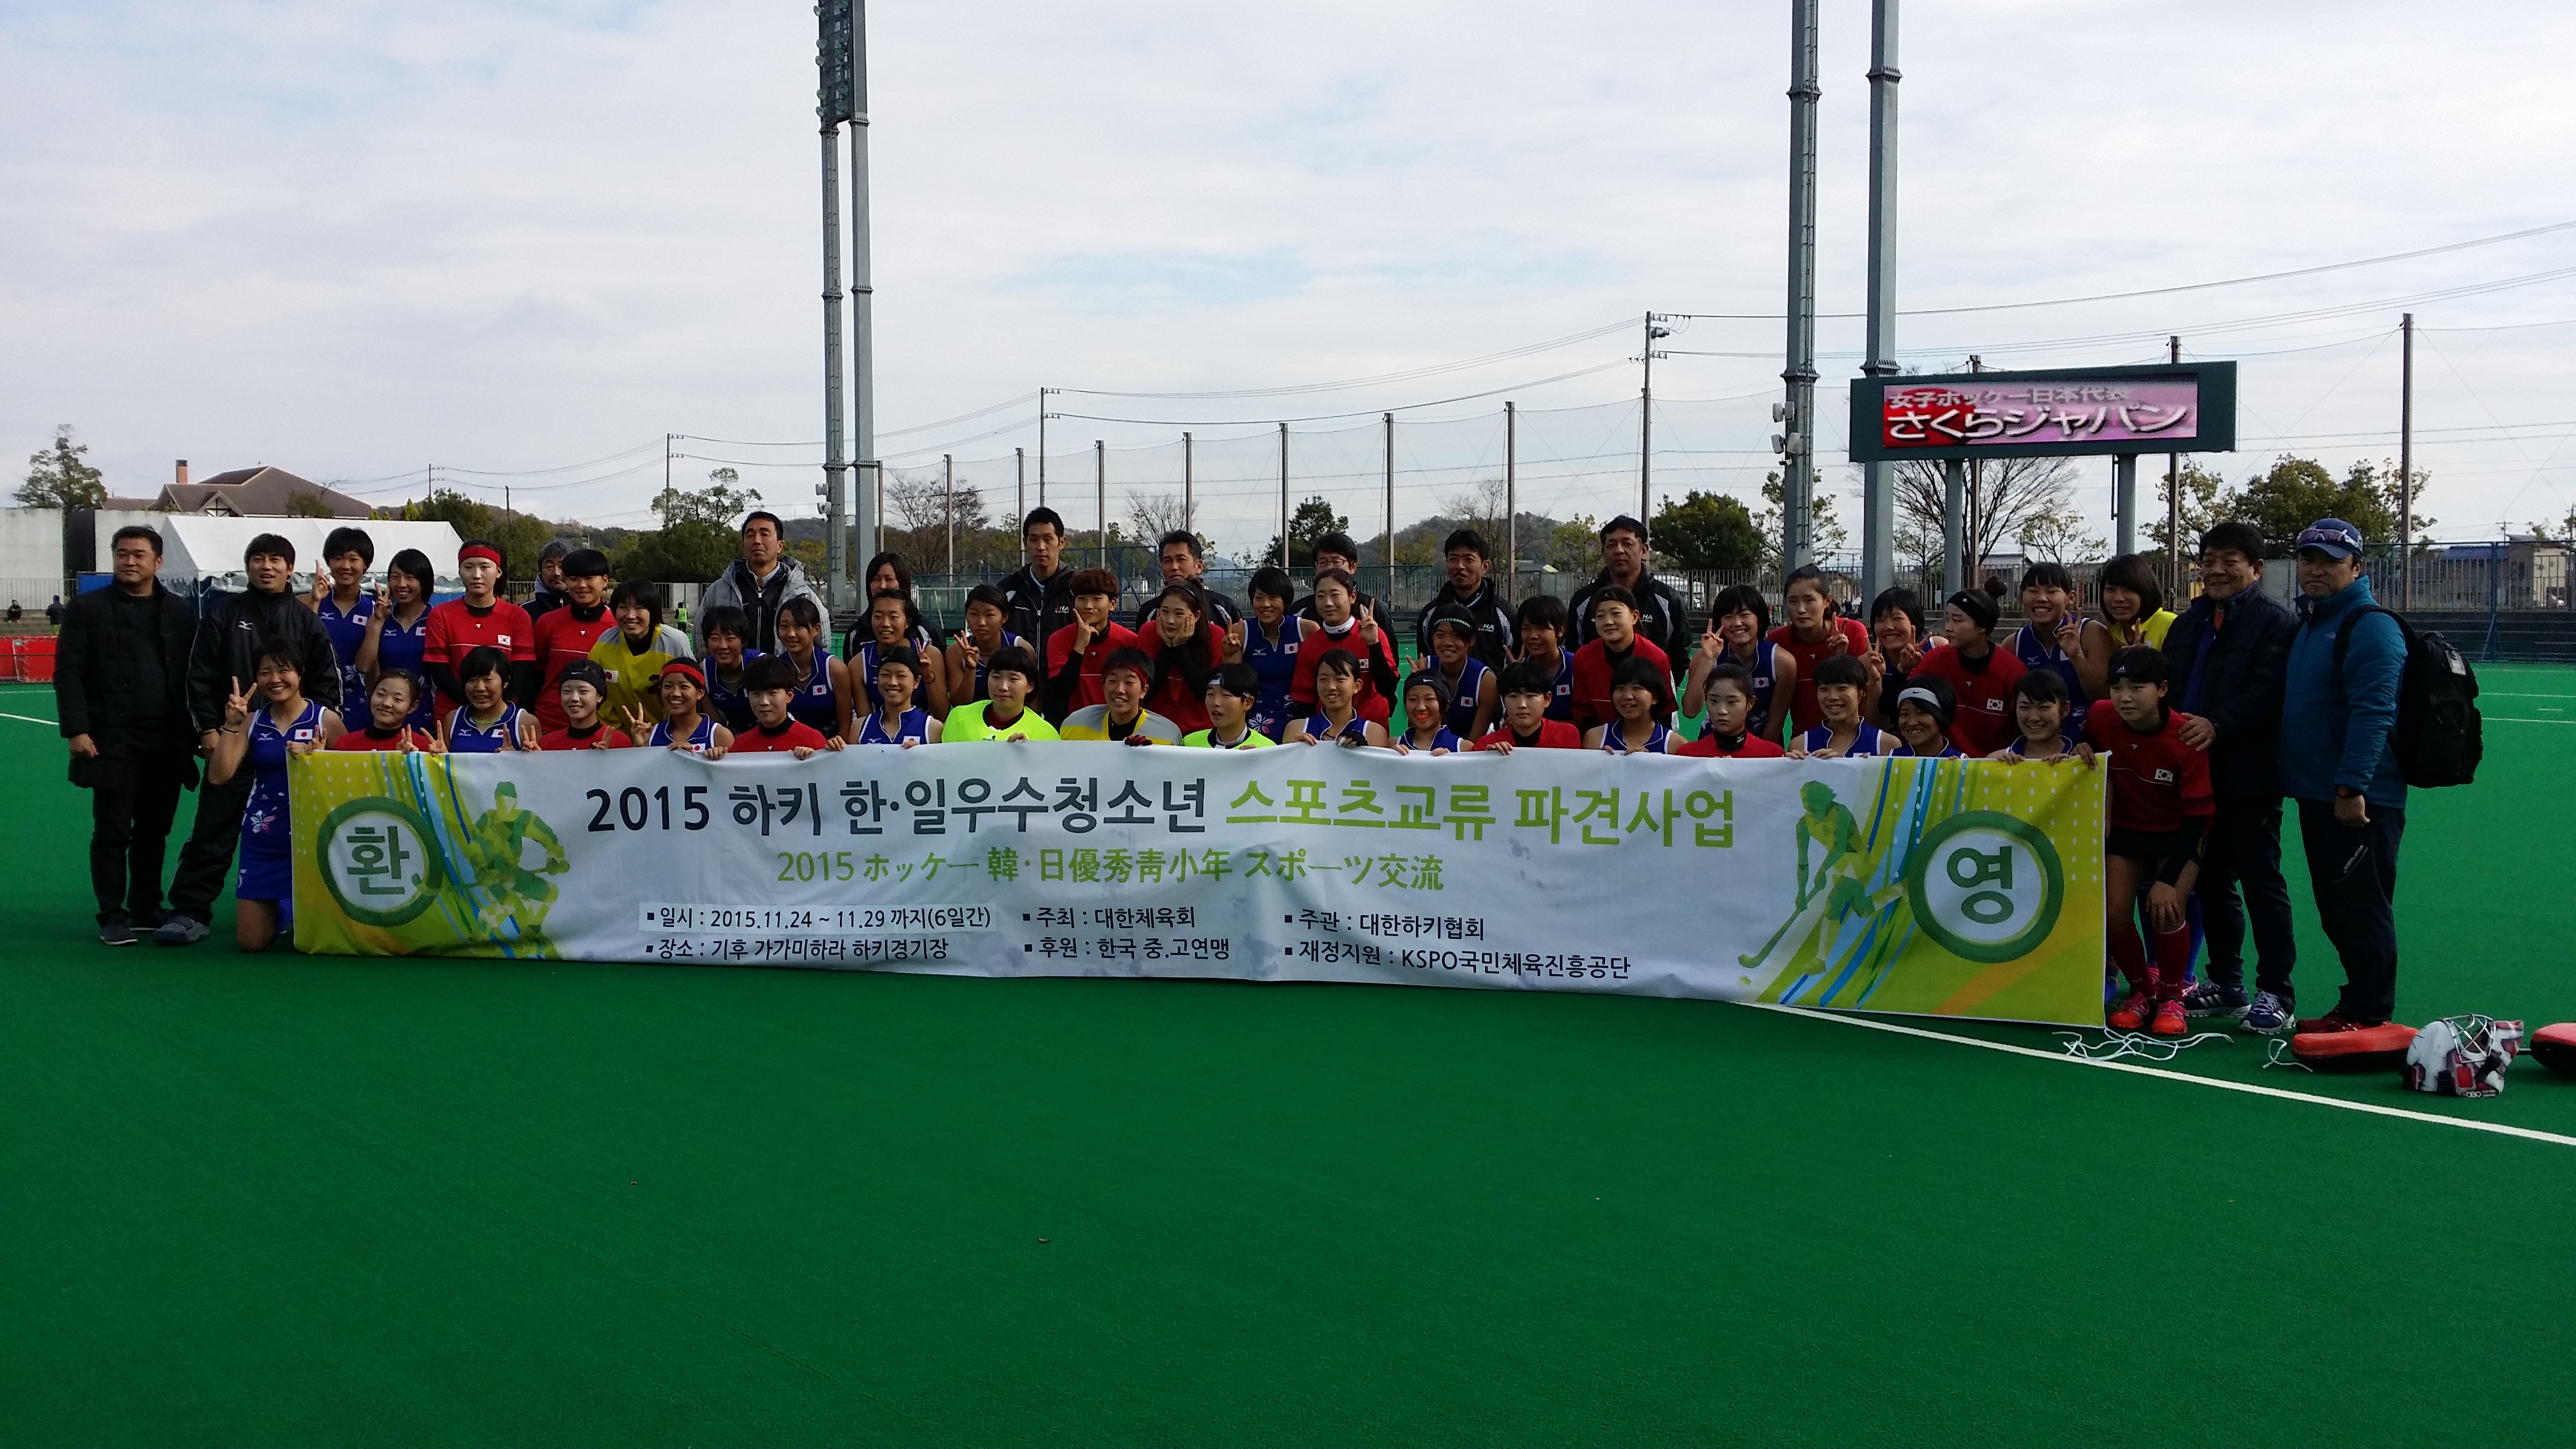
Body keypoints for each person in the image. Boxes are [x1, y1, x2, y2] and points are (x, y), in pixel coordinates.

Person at [161, 533, 340, 947]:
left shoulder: (305, 620)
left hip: (292, 753)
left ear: (290, 569)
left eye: (276, 560)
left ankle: (297, 907)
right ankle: (190, 910)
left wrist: (318, 739)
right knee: (213, 826)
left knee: (305, 831)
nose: (267, 567)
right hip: (236, 737)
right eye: (258, 559)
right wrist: (209, 729)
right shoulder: (223, 614)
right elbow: (199, 675)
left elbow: (327, 684)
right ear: (248, 567)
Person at [2164, 521, 2300, 1030]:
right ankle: (2226, 983)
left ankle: (2276, 992)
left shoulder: (2275, 624)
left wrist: (2217, 725)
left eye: (2230, 561)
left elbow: (2269, 692)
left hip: (2250, 777)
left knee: (2262, 884)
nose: (2216, 570)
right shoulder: (2188, 624)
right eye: (2209, 560)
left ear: (2256, 568)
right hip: (2194, 780)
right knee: (2211, 882)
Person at [2276, 517, 2409, 1033]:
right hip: (2318, 794)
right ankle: (2356, 1005)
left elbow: (2374, 712)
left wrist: (2352, 786)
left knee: (2360, 908)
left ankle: (2370, 1013)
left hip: (2358, 800)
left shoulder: (2370, 625)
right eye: (2308, 560)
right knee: (2337, 907)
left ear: (2356, 567)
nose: (2316, 570)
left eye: (2330, 562)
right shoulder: (2313, 623)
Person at [57, 524, 200, 945]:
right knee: (113, 831)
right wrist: (77, 729)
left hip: (167, 741)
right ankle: (111, 914)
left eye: (139, 554)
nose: (129, 561)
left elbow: (193, 674)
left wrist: (199, 731)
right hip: (111, 738)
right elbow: (68, 672)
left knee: (154, 830)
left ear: (158, 562)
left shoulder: (179, 611)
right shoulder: (87, 609)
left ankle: (145, 906)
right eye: (122, 553)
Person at [2089, 646, 2215, 1039]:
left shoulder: (2185, 737)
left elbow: (2198, 819)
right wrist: (2080, 746)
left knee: (2167, 908)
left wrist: (2168, 879)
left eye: (2136, 687)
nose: (2124, 697)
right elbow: (2086, 740)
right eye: (2117, 687)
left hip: (2179, 834)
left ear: (2161, 689)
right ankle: (2142, 992)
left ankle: (2173, 996)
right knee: (2114, 913)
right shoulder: (2100, 717)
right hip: (2128, 833)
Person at [203, 639, 343, 951]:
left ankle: (292, 903)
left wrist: (320, 761)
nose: (275, 679)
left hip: (315, 837)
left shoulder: (326, 720)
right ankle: (282, 906)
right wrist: (230, 726)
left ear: (300, 674)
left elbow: (352, 777)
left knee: (323, 939)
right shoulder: (251, 721)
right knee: (252, 943)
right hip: (264, 837)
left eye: (283, 670)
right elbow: (218, 776)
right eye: (265, 672)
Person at [423, 540, 535, 724]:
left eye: (484, 567)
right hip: (453, 715)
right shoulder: (441, 615)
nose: (476, 575)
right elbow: (440, 673)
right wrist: (476, 703)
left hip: (503, 716)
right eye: (468, 567)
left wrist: (493, 706)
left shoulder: (518, 616)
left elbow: (519, 672)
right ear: (460, 571)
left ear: (498, 572)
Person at [1905, 589, 2026, 757]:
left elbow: (2025, 726)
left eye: (1957, 620)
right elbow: (1903, 701)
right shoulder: (1936, 659)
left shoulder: (2012, 671)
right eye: (1948, 619)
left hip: (1996, 764)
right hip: (1946, 762)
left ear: (1982, 627)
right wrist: (1902, 670)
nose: (1948, 628)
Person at [695, 510, 822, 654]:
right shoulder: (719, 590)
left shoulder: (801, 592)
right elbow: (701, 641)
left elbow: (821, 641)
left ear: (780, 546)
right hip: (734, 670)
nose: (757, 540)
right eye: (750, 535)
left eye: (764, 534)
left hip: (785, 669)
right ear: (743, 545)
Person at [1767, 565, 1874, 735]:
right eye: (1793, 601)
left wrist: (1841, 661)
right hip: (1805, 742)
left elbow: (1869, 696)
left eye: (1809, 600)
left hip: (1853, 740)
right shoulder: (1777, 641)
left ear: (1827, 601)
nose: (1801, 609)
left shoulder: (1853, 632)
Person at [1684, 584, 1794, 744]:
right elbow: (1690, 711)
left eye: (1745, 615)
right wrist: (1708, 661)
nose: (1737, 623)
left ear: (1759, 619)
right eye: (1728, 617)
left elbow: (1776, 722)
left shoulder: (1781, 662)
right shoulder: (1705, 657)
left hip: (1762, 748)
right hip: (1713, 746)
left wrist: (1760, 755)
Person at [1288, 568, 1398, 726]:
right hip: (1327, 731)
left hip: (1372, 728)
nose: (1328, 603)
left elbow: (1387, 688)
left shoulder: (1375, 635)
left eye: (1335, 595)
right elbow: (1305, 701)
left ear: (1352, 597)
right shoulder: (1310, 646)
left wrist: (1373, 644)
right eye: (1321, 596)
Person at [1568, 515, 1687, 659]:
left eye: (1627, 543)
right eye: (1612, 545)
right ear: (1603, 553)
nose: (1619, 550)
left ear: (1644, 551)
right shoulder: (1583, 601)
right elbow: (1574, 654)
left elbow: (1680, 655)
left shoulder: (1668, 600)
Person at [528, 548, 617, 735]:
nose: (582, 585)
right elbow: (535, 676)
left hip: (601, 729)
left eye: (589, 578)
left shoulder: (617, 627)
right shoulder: (547, 623)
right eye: (574, 579)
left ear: (604, 581)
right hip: (550, 725)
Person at [2011, 561, 2109, 729]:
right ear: (2022, 597)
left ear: (2071, 598)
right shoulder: (2014, 643)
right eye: (2033, 591)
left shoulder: (2092, 633)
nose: (2041, 598)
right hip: (2037, 736)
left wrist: (2076, 657)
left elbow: (2106, 699)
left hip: (2087, 737)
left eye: (2051, 591)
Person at [1568, 586, 1672, 733]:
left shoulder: (1656, 658)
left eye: (1616, 613)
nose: (1608, 622)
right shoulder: (1583, 658)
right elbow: (1585, 715)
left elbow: (1664, 714)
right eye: (1600, 616)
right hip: (1601, 740)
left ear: (1634, 617)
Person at [589, 581, 690, 728]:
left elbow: (690, 694)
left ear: (653, 611)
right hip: (619, 734)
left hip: (667, 734)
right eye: (623, 607)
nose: (630, 615)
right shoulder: (605, 642)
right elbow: (594, 690)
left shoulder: (674, 643)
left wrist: (663, 734)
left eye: (639, 608)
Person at [1043, 567, 1136, 723]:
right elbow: (1060, 692)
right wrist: (1079, 647)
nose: (1088, 605)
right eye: (1082, 598)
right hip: (1074, 725)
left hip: (1116, 725)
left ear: (1112, 604)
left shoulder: (1129, 641)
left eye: (1097, 599)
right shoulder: (1059, 639)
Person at [1415, 528, 1516, 669]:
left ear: (1485, 567)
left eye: (1469, 559)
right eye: (1453, 559)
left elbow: (1517, 667)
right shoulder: (1431, 614)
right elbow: (1425, 664)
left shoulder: (1505, 615)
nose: (1460, 566)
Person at [303, 525, 378, 710]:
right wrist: (315, 602)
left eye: (353, 559)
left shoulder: (374, 610)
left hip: (358, 703)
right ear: (329, 562)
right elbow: (302, 650)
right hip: (315, 701)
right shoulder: (307, 602)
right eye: (338, 558)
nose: (345, 566)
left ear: (366, 564)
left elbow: (368, 667)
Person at [1232, 566, 1305, 743]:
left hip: (1297, 720)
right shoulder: (1240, 631)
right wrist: (1229, 654)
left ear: (1285, 600)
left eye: (1273, 597)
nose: (1265, 604)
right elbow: (1233, 684)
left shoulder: (1305, 629)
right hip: (1254, 720)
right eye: (1259, 598)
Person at [1136, 583, 1219, 735]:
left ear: (1196, 616)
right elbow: (1146, 690)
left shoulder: (1215, 635)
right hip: (1157, 724)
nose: (1170, 621)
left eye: (1179, 614)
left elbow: (1202, 691)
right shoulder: (1149, 631)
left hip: (1202, 728)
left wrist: (1179, 647)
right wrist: (1168, 647)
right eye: (1165, 612)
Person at [774, 595, 860, 739]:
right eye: (784, 627)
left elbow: (845, 726)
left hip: (828, 748)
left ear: (817, 629)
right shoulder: (774, 668)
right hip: (786, 749)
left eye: (799, 626)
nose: (791, 634)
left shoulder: (835, 669)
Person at [729, 654, 845, 757]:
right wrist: (719, 759)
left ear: (790, 695)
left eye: (773, 693)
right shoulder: (740, 745)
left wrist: (812, 760)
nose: (764, 702)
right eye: (756, 694)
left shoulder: (813, 741)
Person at [373, 549, 439, 731]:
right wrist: (378, 622)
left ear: (424, 582)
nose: (402, 584)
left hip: (426, 712)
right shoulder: (381, 618)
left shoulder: (437, 619)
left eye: (410, 578)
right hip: (387, 710)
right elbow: (364, 665)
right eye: (395, 577)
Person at [940, 645, 1060, 742]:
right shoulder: (958, 717)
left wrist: (1030, 753)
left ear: (1030, 686)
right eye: (996, 677)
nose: (1003, 687)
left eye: (1013, 679)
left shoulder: (1046, 734)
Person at [1061, 647, 1181, 744]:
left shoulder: (1167, 735)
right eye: (1112, 681)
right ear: (1103, 685)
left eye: (1129, 682)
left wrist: (1149, 756)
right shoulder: (1075, 724)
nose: (1120, 690)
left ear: (1143, 691)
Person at [996, 507, 1076, 650]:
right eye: (1034, 540)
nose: (1041, 547)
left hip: (1063, 665)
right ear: (1025, 542)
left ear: (1062, 542)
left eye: (1048, 539)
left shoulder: (1076, 588)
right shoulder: (1009, 587)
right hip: (1017, 665)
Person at [1786, 655, 1893, 759]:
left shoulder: (1886, 745)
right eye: (1824, 689)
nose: (1833, 697)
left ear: (1863, 691)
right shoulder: (1801, 745)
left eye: (1842, 689)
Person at [1131, 530, 1241, 631]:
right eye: (1168, 561)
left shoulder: (1224, 608)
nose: (1174, 567)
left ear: (1199, 566)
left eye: (1181, 560)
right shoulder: (1149, 612)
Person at [1675, 662, 1787, 759]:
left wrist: (1793, 765)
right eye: (1714, 701)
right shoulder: (1687, 755)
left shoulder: (1773, 755)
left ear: (1750, 703)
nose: (1722, 711)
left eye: (1732, 702)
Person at [944, 583, 1026, 709]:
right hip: (972, 719)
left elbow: (1032, 701)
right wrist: (970, 668)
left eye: (989, 615)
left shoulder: (1021, 647)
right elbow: (959, 704)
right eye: (974, 614)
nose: (981, 622)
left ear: (1004, 617)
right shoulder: (956, 652)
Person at [443, 646, 540, 752]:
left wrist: (517, 758)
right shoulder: (453, 720)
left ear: (505, 681)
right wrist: (437, 757)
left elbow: (537, 761)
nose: (480, 688)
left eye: (488, 680)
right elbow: (445, 760)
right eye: (472, 680)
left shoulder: (525, 722)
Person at [1473, 660, 1583, 753]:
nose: (1522, 705)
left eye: (1531, 696)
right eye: (1513, 696)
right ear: (1503, 700)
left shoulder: (1567, 735)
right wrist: (1488, 760)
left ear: (1547, 699)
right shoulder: (1487, 745)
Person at [1861, 587, 1931, 731]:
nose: (1888, 627)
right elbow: (1876, 727)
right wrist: (1875, 681)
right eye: (1880, 620)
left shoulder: (1934, 649)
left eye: (1897, 618)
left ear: (1914, 621)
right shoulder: (1866, 663)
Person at [1286, 649, 1387, 748]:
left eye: (1340, 679)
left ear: (1357, 686)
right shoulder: (1297, 729)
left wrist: (1364, 750)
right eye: (1323, 679)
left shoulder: (1373, 733)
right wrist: (1295, 750)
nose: (1331, 687)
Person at [1422, 610, 1498, 742]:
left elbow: (1474, 743)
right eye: (1440, 635)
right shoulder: (1424, 668)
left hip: (1468, 750)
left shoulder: (1485, 680)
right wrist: (1417, 685)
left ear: (1471, 640)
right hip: (1430, 748)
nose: (1447, 643)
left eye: (1456, 636)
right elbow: (1416, 731)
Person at [849, 552, 939, 658]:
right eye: (876, 579)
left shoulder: (927, 632)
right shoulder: (856, 634)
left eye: (889, 579)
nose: (882, 586)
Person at [1989, 668, 2086, 763]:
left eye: (2044, 707)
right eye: (2024, 707)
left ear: (2065, 710)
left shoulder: (2082, 759)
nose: (2034, 718)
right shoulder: (1996, 761)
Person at [636, 660, 730, 756]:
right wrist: (639, 748)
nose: (675, 694)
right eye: (668, 686)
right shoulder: (651, 735)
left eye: (684, 687)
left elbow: (735, 765)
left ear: (700, 693)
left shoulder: (718, 735)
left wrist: (713, 758)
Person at [1585, 656, 1676, 754]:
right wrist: (1599, 759)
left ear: (1655, 697)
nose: (1627, 696)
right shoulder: (1595, 739)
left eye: (1636, 688)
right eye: (1620, 688)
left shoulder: (1674, 745)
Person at [331, 671, 440, 752]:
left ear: (413, 706)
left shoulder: (423, 747)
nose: (386, 703)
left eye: (398, 699)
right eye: (380, 694)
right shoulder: (345, 744)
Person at [2092, 552, 2178, 655]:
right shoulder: (2112, 632)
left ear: (2146, 590)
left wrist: (2144, 658)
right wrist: (2077, 654)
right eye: (2111, 589)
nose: (2118, 598)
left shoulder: (2170, 624)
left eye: (2128, 590)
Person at [854, 645, 942, 746]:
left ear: (916, 682)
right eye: (885, 675)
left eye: (901, 676)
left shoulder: (932, 728)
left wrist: (920, 753)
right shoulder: (860, 727)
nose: (893, 682)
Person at [537, 659, 630, 751]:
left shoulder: (619, 743)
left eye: (583, 691)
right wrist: (533, 757)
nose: (574, 698)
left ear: (599, 696)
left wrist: (608, 758)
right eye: (567, 691)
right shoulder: (547, 744)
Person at [698, 604, 761, 733]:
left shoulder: (761, 664)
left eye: (730, 639)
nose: (723, 646)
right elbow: (715, 725)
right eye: (715, 638)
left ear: (743, 641)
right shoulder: (704, 671)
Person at [1515, 594, 1578, 723]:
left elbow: (1583, 723)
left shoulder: (1577, 666)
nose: (1533, 636)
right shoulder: (1518, 671)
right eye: (1527, 629)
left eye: (1541, 629)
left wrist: (1537, 725)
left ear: (1560, 630)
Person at [1292, 533, 1379, 625]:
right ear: (1315, 568)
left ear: (1353, 567)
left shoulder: (1373, 611)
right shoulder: (1299, 613)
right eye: (1323, 562)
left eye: (1336, 561)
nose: (1330, 568)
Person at [1184, 663, 1274, 749]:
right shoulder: (1189, 744)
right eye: (1211, 694)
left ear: (1248, 703)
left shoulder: (1266, 749)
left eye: (1226, 695)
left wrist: (1258, 760)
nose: (1216, 702)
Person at [1888, 678, 1965, 759]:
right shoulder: (1887, 760)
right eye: (1904, 714)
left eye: (1921, 713)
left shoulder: (1962, 762)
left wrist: (1964, 767)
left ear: (1943, 716)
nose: (1912, 722)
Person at [1393, 670, 1465, 754]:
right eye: (1413, 699)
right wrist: (1390, 758)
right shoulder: (1392, 745)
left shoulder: (1463, 748)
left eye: (1430, 699)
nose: (1421, 707)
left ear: (1446, 705)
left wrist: (1453, 760)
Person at [524, 540, 572, 622]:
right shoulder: (526, 613)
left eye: (561, 566)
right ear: (541, 571)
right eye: (550, 567)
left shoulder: (585, 609)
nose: (556, 573)